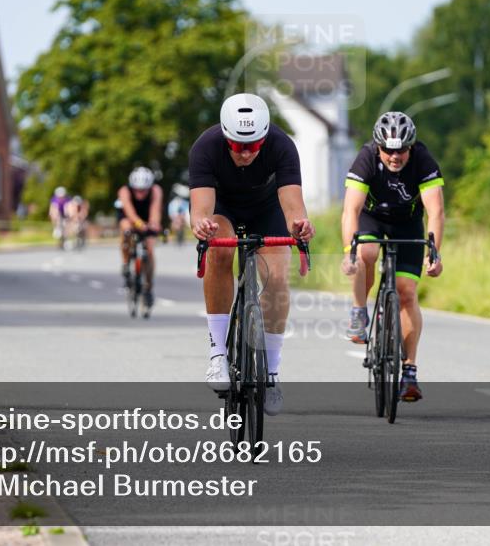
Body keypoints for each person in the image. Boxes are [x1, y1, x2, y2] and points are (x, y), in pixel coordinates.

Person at [189, 93, 314, 416]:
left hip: (267, 208)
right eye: (237, 146)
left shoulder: (282, 145)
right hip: (224, 210)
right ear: (226, 136)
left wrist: (299, 226)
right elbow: (200, 210)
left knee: (277, 274)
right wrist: (201, 226)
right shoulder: (206, 146)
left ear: (264, 138)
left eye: (253, 146)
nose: (245, 153)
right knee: (219, 249)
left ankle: (271, 372)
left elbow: (292, 205)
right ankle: (218, 354)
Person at [340, 111, 444, 402]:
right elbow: (351, 211)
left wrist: (434, 252)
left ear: (411, 147)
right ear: (378, 147)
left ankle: (409, 372)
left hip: (408, 222)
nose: (394, 157)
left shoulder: (423, 161)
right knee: (366, 252)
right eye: (388, 150)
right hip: (372, 219)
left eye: (401, 150)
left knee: (407, 291)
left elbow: (435, 211)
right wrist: (349, 251)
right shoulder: (366, 158)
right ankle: (359, 311)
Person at [117, 167, 163, 307]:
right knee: (126, 230)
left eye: (144, 190)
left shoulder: (156, 190)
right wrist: (138, 224)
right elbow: (129, 211)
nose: (140, 193)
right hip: (129, 216)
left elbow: (155, 210)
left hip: (146, 216)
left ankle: (148, 287)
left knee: (149, 249)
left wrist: (154, 225)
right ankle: (126, 263)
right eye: (137, 190)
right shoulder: (124, 191)